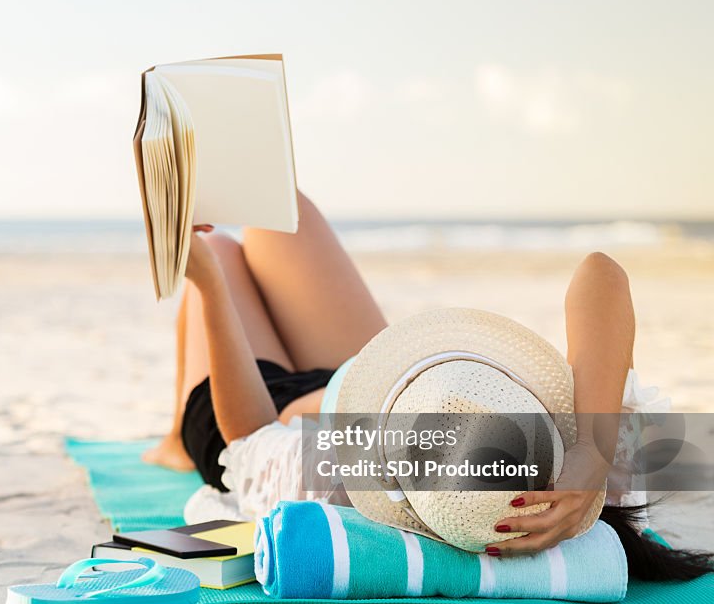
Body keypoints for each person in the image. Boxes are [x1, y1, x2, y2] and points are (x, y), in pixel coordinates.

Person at [143, 191, 713, 580]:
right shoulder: (589, 471)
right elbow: (601, 272)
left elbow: (248, 438)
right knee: (275, 212)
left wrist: (209, 286)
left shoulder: (336, 485)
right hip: (377, 374)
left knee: (217, 250)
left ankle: (176, 435)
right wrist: (591, 451)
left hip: (266, 400)